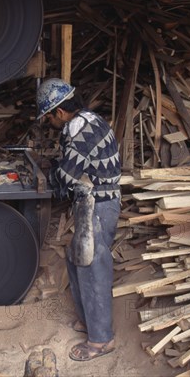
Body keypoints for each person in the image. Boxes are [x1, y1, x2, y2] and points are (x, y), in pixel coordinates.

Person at [36, 78, 122, 361]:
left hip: (100, 204)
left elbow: (66, 176)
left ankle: (101, 340)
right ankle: (88, 321)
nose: (49, 122)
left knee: (92, 267)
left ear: (59, 112)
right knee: (77, 259)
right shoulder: (88, 119)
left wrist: (47, 175)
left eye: (48, 116)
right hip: (91, 201)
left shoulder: (81, 129)